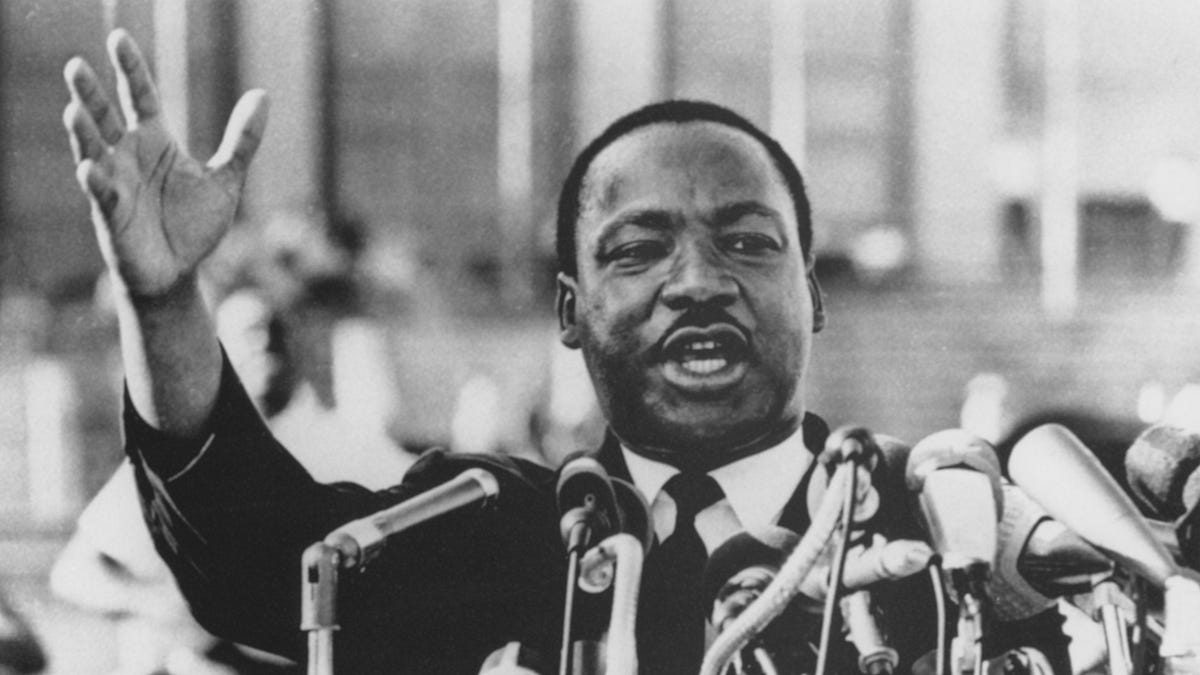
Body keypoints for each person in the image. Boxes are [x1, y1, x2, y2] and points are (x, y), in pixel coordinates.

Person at [61, 30, 1069, 673]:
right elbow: (255, 560)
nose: (697, 281)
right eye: (638, 250)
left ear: (812, 293)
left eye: (749, 242)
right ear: (572, 313)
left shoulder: (943, 537)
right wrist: (165, 299)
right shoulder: (498, 531)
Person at [49, 286, 414, 674]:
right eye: (248, 333)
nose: (265, 343)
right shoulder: (181, 452)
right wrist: (165, 607)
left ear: (301, 342)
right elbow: (74, 574)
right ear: (217, 352)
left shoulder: (355, 449)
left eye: (277, 331)